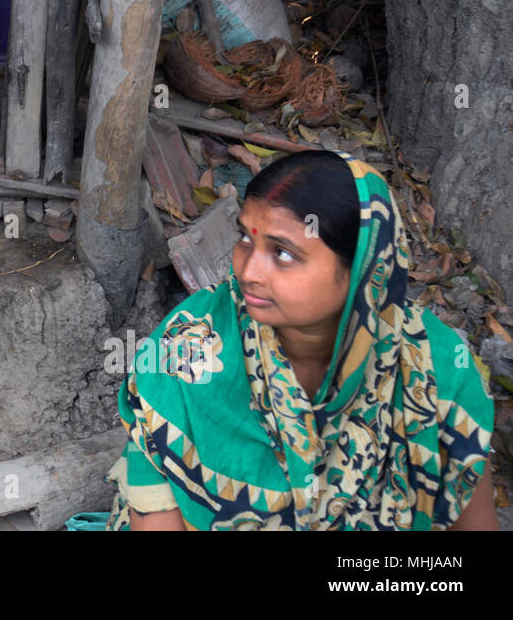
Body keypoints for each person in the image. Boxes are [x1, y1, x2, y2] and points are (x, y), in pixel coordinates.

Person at [106, 150, 497, 530]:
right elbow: (153, 511)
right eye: (245, 238)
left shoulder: (437, 370)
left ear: (363, 271)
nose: (248, 271)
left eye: (284, 253)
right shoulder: (189, 347)